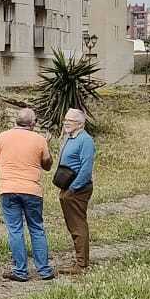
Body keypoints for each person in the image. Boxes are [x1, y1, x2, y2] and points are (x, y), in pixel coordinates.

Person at [0, 106, 54, 282]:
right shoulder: (40, 139)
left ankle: (20, 270)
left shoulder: (3, 136)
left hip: (8, 188)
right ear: (33, 123)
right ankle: (44, 270)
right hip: (32, 190)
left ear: (16, 121)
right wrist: (47, 145)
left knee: (15, 230)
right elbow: (47, 165)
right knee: (37, 228)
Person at [56, 108, 96, 273]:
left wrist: (73, 189)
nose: (66, 122)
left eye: (70, 120)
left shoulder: (86, 140)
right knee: (73, 225)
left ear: (80, 123)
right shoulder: (69, 137)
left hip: (77, 189)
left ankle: (81, 264)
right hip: (67, 187)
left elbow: (86, 170)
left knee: (78, 225)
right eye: (65, 119)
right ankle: (80, 260)